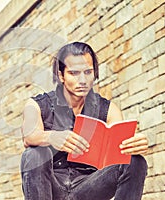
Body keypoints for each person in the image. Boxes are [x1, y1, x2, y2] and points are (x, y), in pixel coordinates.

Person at [20, 42, 148, 200]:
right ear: (61, 75)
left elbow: (118, 154)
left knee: (135, 161)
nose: (82, 80)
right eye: (74, 73)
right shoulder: (37, 104)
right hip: (50, 187)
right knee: (34, 153)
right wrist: (52, 137)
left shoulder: (109, 109)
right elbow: (29, 136)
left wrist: (134, 145)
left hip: (89, 188)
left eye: (88, 72)